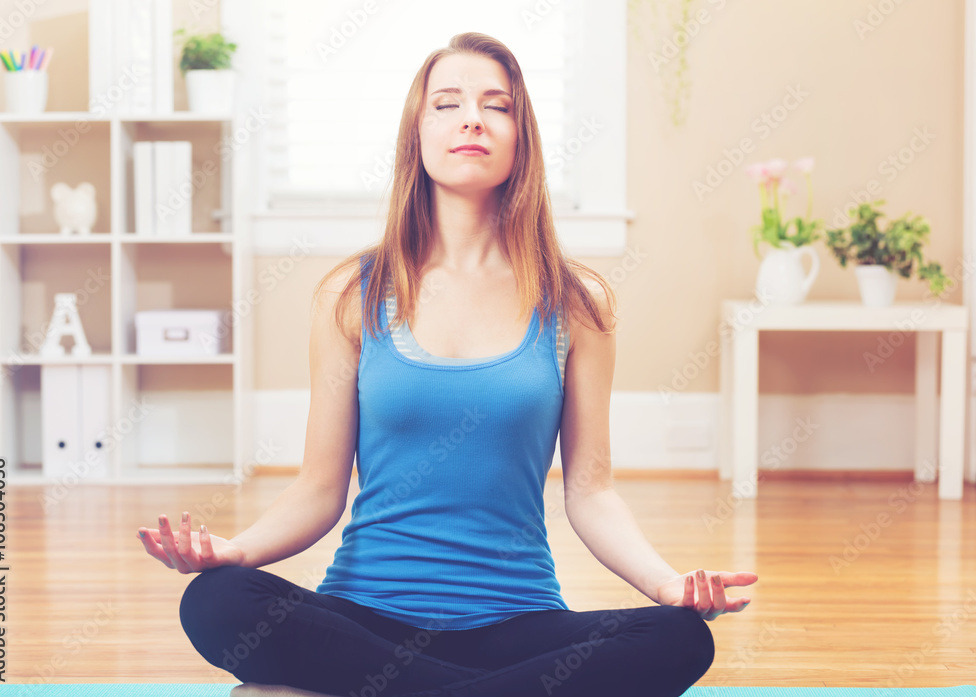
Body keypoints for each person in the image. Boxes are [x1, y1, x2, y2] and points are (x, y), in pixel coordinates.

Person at [137, 31, 757, 697]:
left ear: (522, 137)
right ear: (417, 135)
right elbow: (319, 488)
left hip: (517, 621)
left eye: (497, 105)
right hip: (364, 620)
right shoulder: (354, 295)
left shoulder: (577, 303)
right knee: (217, 600)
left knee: (680, 636)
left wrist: (664, 582)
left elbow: (591, 490)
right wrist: (236, 550)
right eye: (447, 103)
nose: (472, 118)